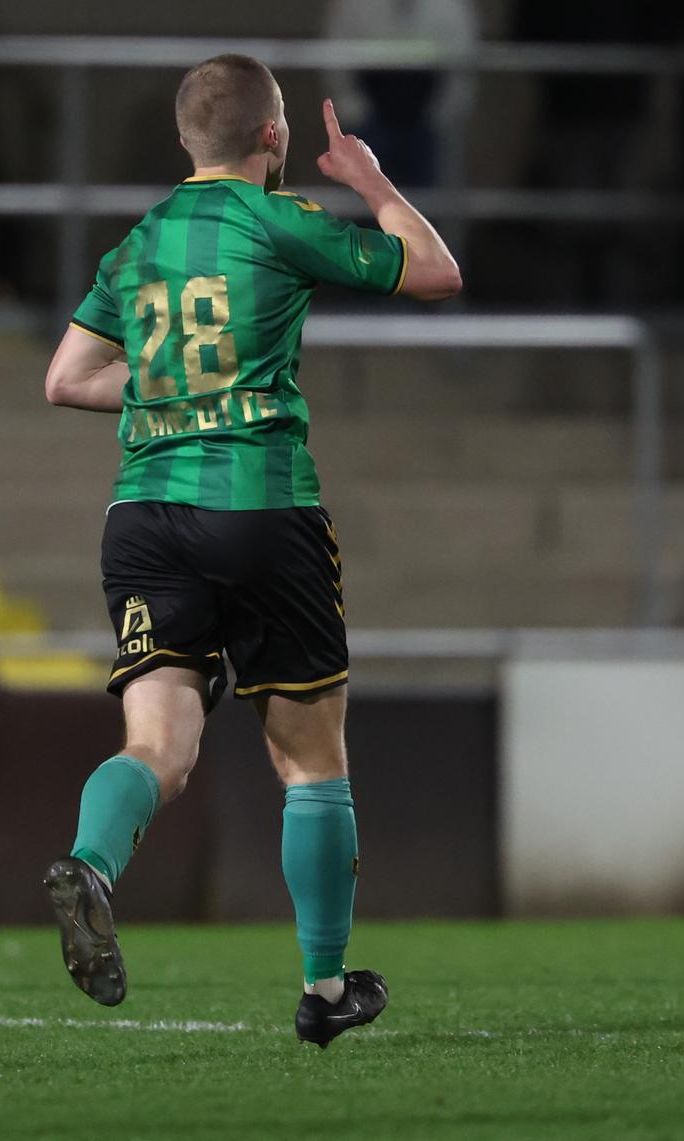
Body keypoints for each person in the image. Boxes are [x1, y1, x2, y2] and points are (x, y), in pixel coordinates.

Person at [39, 54, 463, 1047]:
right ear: (273, 137)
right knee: (311, 761)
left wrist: (163, 396)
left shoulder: (139, 243)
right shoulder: (280, 223)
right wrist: (370, 181)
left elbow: (65, 379)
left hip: (142, 515)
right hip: (261, 506)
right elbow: (436, 271)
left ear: (186, 140)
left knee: (157, 745)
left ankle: (94, 863)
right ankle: (324, 987)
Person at [322, 0, 479, 188]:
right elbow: (336, 59)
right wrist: (356, 113)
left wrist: (441, 118)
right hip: (369, 118)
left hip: (427, 122)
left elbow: (463, 66)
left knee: (425, 201)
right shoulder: (352, 5)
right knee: (366, 197)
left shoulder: (452, 7)